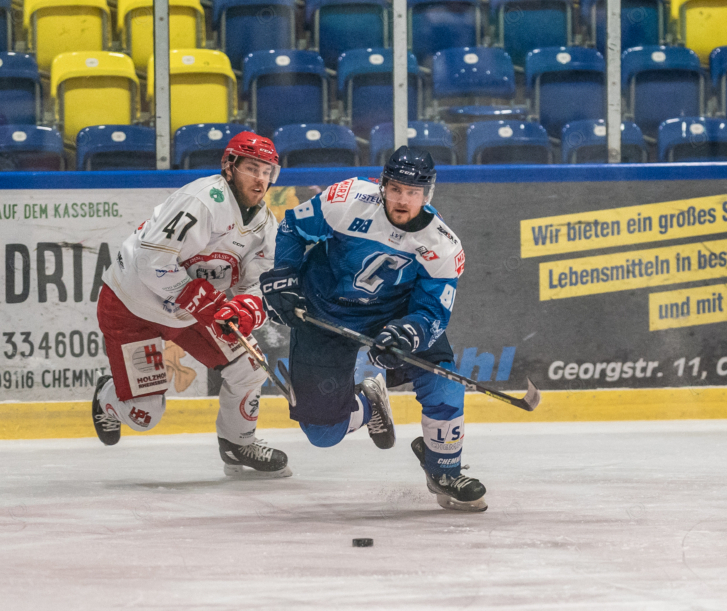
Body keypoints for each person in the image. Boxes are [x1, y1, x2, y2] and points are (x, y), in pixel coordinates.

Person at [259, 147, 487, 511]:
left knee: (443, 378)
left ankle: (445, 469)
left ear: (428, 194)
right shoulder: (346, 198)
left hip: (393, 315)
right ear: (382, 185)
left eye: (413, 193)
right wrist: (284, 275)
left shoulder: (443, 246)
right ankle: (369, 402)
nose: (402, 200)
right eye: (396, 189)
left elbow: (432, 313)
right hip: (323, 309)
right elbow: (292, 227)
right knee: (322, 434)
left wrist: (408, 332)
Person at [91, 132, 289, 477]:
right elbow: (151, 259)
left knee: (250, 368)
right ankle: (107, 397)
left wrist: (247, 308)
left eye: (267, 172)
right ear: (229, 166)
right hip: (131, 303)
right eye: (252, 168)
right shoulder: (203, 199)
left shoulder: (264, 225)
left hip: (190, 311)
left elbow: (262, 283)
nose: (260, 179)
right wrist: (198, 297)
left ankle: (237, 443)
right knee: (144, 416)